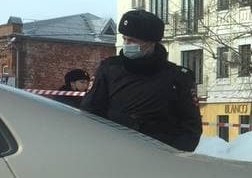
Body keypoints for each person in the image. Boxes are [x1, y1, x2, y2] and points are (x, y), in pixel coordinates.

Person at [81, 9, 202, 151]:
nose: (126, 44)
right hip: (114, 154)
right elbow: (90, 112)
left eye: (132, 40)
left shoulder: (179, 77)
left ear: (151, 43)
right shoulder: (109, 69)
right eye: (125, 38)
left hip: (159, 160)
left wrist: (172, 156)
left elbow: (191, 127)